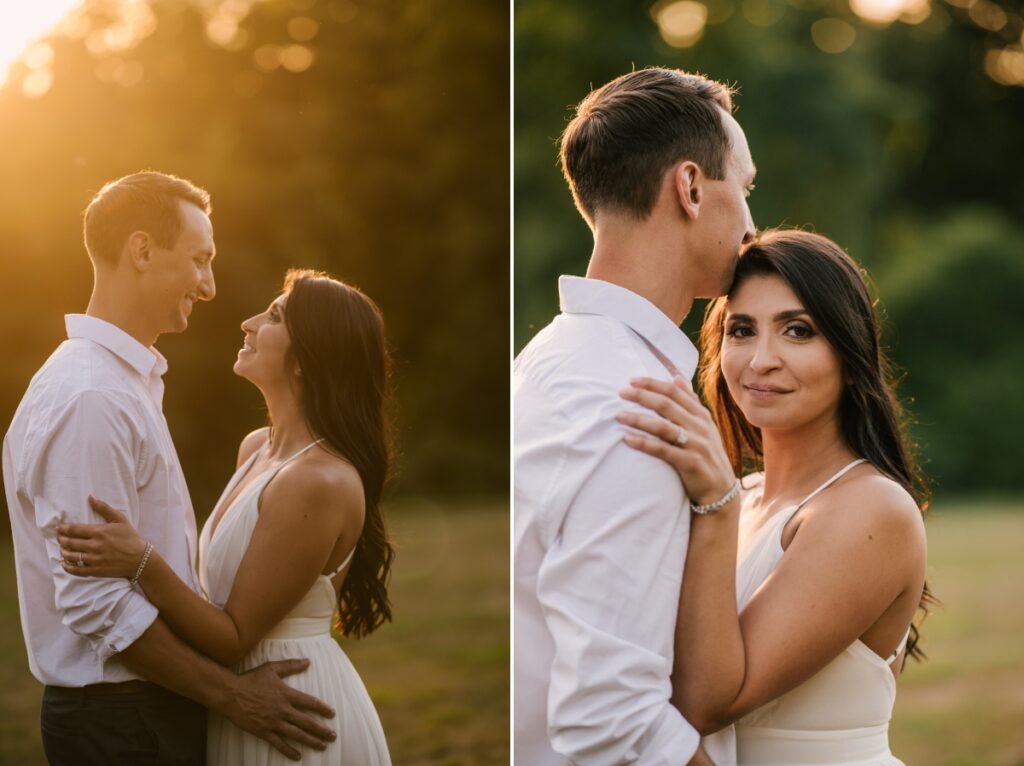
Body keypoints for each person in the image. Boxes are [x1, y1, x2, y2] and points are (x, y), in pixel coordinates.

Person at [2, 171, 336, 765]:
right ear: (142, 250)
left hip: (146, 708)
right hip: (122, 721)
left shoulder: (123, 383)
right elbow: (95, 603)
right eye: (199, 259)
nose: (208, 286)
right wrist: (233, 697)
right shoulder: (91, 397)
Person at [514, 67, 756, 766]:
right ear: (689, 187)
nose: (750, 222)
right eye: (744, 188)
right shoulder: (638, 407)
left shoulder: (551, 360)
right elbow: (613, 718)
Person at [56, 268, 395, 765]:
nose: (248, 322)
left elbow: (233, 638)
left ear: (307, 360)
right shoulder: (256, 449)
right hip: (244, 702)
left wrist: (141, 561)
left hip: (290, 709)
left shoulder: (319, 481)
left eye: (274, 315)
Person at [617, 229, 930, 765]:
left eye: (798, 331)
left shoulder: (872, 509)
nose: (761, 359)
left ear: (850, 356)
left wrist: (714, 505)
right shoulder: (742, 495)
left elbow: (709, 701)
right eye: (742, 330)